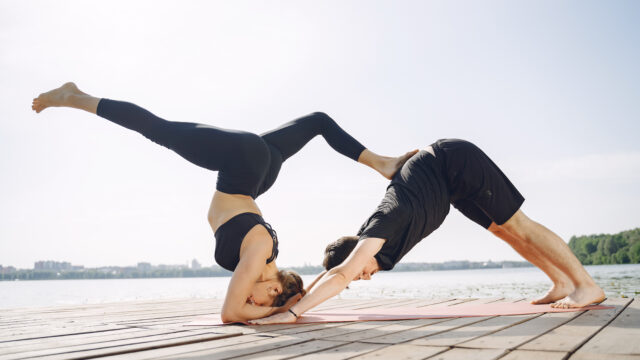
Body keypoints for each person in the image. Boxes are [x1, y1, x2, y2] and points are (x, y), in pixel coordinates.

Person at [31, 82, 417, 323]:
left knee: (317, 120)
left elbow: (239, 307)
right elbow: (230, 314)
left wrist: (282, 308)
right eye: (263, 298)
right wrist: (280, 312)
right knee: (158, 129)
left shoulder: (262, 257)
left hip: (256, 173)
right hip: (244, 165)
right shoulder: (260, 256)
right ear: (276, 288)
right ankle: (74, 97)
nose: (252, 298)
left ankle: (381, 163)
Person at [250, 139, 605, 325]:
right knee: (501, 230)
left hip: (453, 163)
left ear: (360, 254)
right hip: (448, 185)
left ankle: (585, 285)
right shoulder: (366, 242)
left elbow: (342, 272)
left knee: (517, 224)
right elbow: (336, 270)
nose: (366, 277)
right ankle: (560, 283)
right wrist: (300, 298)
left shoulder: (378, 230)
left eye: (361, 274)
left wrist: (292, 315)